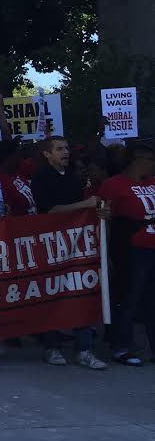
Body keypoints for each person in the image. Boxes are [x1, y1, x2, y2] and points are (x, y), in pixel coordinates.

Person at [30, 135, 109, 369]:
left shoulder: (73, 178)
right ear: (47, 154)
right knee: (53, 294)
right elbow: (51, 210)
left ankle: (84, 349)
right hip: (52, 244)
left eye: (66, 148)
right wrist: (85, 205)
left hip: (76, 244)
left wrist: (99, 213)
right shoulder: (41, 178)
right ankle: (51, 347)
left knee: (80, 291)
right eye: (59, 149)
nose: (65, 152)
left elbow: (83, 212)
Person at [99, 143, 155, 366]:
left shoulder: (153, 183)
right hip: (131, 249)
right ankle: (122, 346)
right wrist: (106, 253)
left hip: (152, 247)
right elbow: (106, 221)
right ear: (137, 160)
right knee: (129, 298)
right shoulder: (114, 185)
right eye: (150, 160)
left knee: (152, 300)